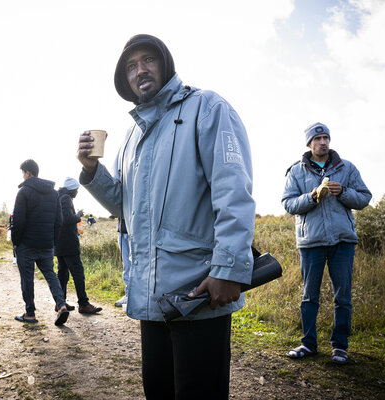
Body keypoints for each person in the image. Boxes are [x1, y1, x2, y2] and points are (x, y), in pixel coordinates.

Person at [77, 34, 255, 399]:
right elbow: (124, 207)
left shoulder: (206, 108)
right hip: (150, 298)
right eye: (130, 66)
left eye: (148, 60)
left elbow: (233, 193)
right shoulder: (130, 137)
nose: (139, 70)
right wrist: (92, 170)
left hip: (199, 293)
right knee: (158, 392)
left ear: (165, 64)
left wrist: (228, 269)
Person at [282, 122, 371, 364]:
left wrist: (342, 192)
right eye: (318, 138)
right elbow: (288, 204)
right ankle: (308, 344)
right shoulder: (296, 171)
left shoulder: (347, 168)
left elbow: (364, 198)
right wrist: (311, 196)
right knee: (309, 296)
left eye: (326, 138)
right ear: (309, 143)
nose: (323, 142)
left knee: (343, 297)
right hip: (311, 242)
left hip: (343, 242)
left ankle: (340, 348)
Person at [11, 159, 70, 326]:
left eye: (23, 173)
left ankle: (30, 313)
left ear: (28, 173)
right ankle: (61, 304)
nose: (22, 177)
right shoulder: (53, 193)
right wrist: (52, 241)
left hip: (27, 245)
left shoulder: (24, 192)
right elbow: (59, 221)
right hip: (46, 244)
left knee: (27, 278)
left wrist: (16, 242)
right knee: (51, 275)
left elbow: (18, 221)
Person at [55, 177, 102, 314]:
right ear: (72, 189)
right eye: (76, 190)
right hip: (69, 244)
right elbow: (67, 219)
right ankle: (83, 304)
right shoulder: (66, 198)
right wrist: (79, 215)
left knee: (62, 274)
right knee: (78, 274)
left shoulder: (59, 197)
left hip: (60, 243)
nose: (77, 192)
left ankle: (60, 303)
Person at [114, 218, 130, 308]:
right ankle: (128, 295)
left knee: (136, 265)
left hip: (133, 231)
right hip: (121, 230)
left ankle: (137, 296)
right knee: (126, 265)